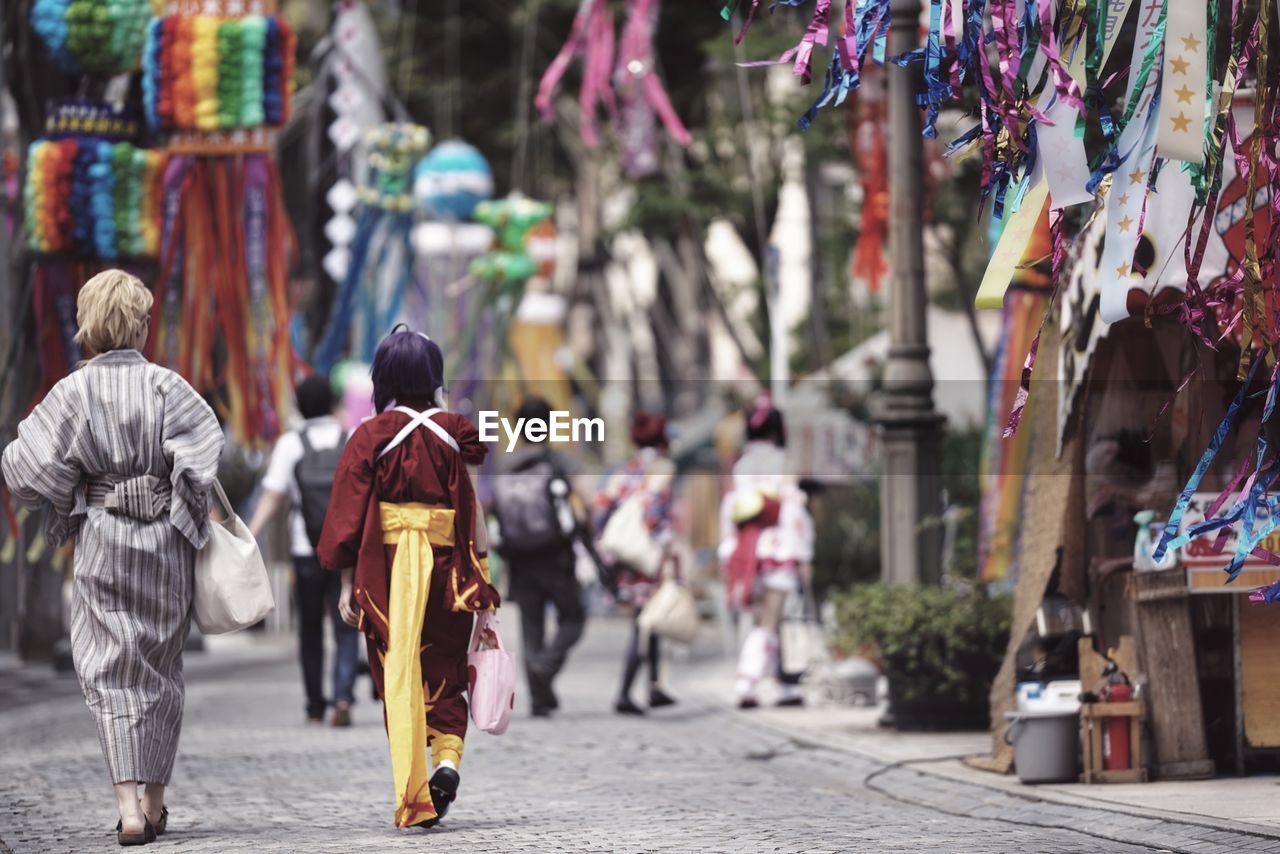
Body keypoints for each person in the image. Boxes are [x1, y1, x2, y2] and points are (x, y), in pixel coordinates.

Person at [1, 270, 223, 846]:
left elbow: (24, 467)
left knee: (108, 669)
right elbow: (202, 456)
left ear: (89, 325)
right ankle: (155, 802)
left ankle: (127, 807)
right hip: (164, 545)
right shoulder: (168, 387)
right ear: (141, 325)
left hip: (104, 538)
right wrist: (175, 494)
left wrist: (72, 489)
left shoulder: (72, 392)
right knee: (161, 668)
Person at [316, 326, 499, 829]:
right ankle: (446, 762)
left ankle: (415, 786)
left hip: (387, 574)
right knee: (446, 672)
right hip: (449, 571)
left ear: (385, 376)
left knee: (398, 674)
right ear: (434, 374)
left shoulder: (370, 435)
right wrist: (481, 573)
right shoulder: (457, 430)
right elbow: (474, 508)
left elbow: (348, 518)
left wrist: (344, 583)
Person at [248, 374, 359, 726]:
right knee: (346, 625)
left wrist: (249, 535)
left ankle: (315, 707)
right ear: (332, 403)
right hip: (345, 550)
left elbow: (273, 495)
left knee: (309, 630)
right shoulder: (351, 440)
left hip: (305, 546)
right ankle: (343, 696)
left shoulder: (290, 445)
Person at [490, 396, 586, 717]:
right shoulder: (560, 462)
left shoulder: (507, 466)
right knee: (573, 617)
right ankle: (546, 666)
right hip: (556, 555)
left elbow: (490, 508)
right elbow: (589, 500)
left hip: (518, 558)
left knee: (532, 626)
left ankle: (539, 697)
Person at [718, 395, 815, 709]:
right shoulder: (783, 463)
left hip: (747, 549)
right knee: (772, 620)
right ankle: (747, 681)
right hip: (779, 548)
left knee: (767, 618)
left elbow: (730, 511)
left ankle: (785, 685)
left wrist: (728, 551)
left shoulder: (743, 465)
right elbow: (792, 513)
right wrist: (804, 555)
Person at [593, 411, 679, 715]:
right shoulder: (661, 468)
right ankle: (625, 692)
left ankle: (654, 687)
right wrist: (670, 552)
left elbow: (602, 509)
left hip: (626, 558)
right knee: (644, 624)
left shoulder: (624, 470)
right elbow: (657, 514)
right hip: (648, 558)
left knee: (648, 620)